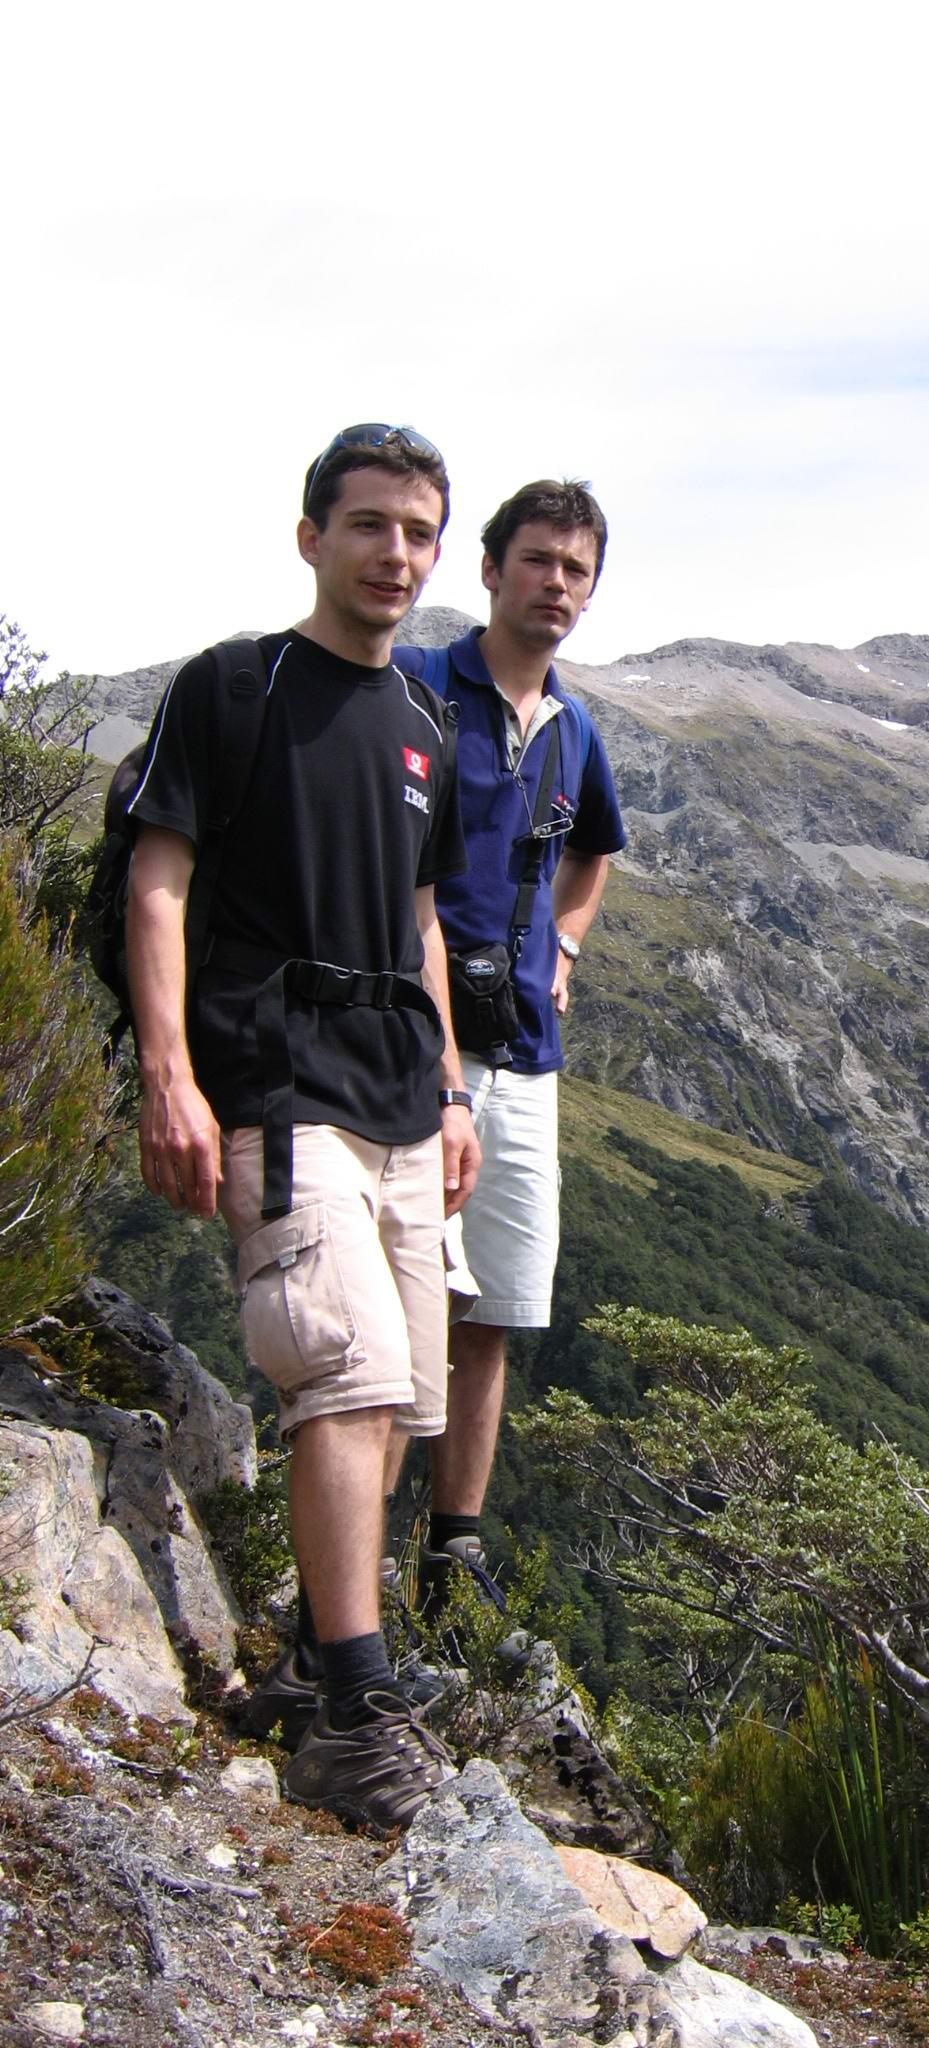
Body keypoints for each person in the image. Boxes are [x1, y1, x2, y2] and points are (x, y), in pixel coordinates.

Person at [125, 424, 480, 1831]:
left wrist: (450, 1087)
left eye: (419, 531)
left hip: (400, 1092)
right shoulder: (235, 686)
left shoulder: (426, 724)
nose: (397, 553)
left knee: (402, 1402)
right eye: (370, 524)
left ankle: (320, 1661)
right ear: (311, 536)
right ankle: (353, 1720)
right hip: (275, 1074)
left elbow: (423, 916)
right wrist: (169, 1074)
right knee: (343, 1368)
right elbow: (158, 878)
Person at [394, 480, 625, 1631]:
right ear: (489, 569)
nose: (557, 584)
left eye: (577, 569)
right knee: (402, 1302)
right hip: (410, 1048)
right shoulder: (419, 686)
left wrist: (566, 947)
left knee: (492, 1311)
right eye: (538, 559)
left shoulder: (575, 730)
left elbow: (595, 850)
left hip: (527, 1056)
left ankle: (454, 1549)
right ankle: (350, 1569)